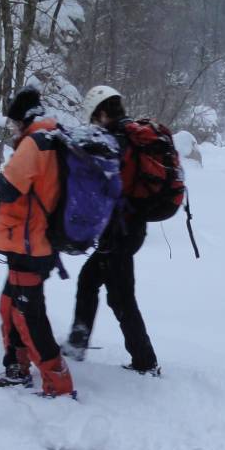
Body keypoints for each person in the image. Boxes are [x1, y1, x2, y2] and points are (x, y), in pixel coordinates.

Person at [62, 85, 160, 376]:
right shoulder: (133, 136)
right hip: (131, 228)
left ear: (102, 112)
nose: (95, 123)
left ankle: (145, 362)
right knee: (91, 281)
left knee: (120, 296)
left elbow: (107, 189)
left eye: (95, 117)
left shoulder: (116, 141)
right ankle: (78, 344)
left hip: (120, 231)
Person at [0, 85, 76, 398]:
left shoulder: (35, 143)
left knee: (28, 316)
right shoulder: (53, 137)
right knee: (11, 306)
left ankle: (59, 384)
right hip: (37, 242)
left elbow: (9, 188)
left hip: (30, 244)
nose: (13, 128)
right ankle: (16, 367)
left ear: (22, 119)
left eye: (14, 122)